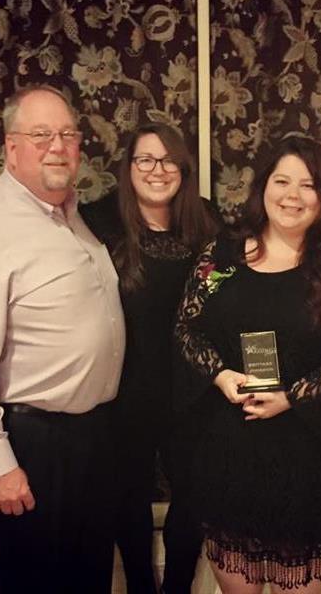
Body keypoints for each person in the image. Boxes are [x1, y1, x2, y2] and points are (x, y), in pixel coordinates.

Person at [174, 136, 321, 592]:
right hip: (230, 450)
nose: (292, 195)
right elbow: (187, 328)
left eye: (307, 185)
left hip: (306, 456)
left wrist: (292, 396)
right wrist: (221, 374)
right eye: (282, 181)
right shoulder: (224, 255)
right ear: (262, 187)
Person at [0, 85, 125, 594]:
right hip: (31, 447)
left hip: (89, 441)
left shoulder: (72, 215)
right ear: (11, 146)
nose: (57, 146)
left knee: (87, 584)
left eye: (67, 134)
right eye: (41, 135)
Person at [80, 122, 220, 593]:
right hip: (125, 389)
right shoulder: (96, 222)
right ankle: (141, 586)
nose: (157, 170)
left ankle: (177, 587)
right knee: (128, 499)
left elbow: (229, 298)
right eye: (145, 159)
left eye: (168, 161)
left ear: (184, 169)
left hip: (193, 389)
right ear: (128, 167)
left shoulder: (207, 223)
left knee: (196, 496)